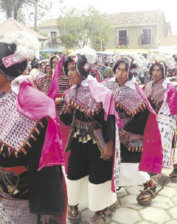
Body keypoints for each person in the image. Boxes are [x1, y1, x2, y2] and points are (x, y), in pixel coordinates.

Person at [0, 31, 66, 224]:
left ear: (6, 65)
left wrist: (46, 209)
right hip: (0, 195)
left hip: (24, 202)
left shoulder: (36, 104)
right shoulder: (5, 100)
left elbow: (46, 162)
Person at [60, 47, 120, 224]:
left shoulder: (102, 93)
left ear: (83, 69)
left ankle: (101, 209)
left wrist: (109, 144)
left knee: (98, 174)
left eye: (73, 69)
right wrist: (67, 108)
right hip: (78, 138)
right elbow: (65, 118)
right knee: (74, 172)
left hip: (98, 142)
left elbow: (109, 120)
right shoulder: (70, 93)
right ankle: (73, 203)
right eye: (68, 70)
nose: (69, 73)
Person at [102, 57, 162, 206]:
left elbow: (145, 114)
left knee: (130, 166)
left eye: (124, 70)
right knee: (112, 163)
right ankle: (116, 185)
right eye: (118, 69)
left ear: (129, 72)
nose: (120, 73)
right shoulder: (107, 84)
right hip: (112, 131)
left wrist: (127, 131)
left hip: (129, 133)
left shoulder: (133, 89)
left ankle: (149, 184)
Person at [143, 61, 177, 181]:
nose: (155, 73)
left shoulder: (168, 86)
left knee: (163, 143)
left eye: (159, 70)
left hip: (165, 119)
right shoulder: (148, 85)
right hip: (151, 119)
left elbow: (175, 106)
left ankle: (154, 168)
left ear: (163, 72)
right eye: (154, 70)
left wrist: (176, 123)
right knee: (158, 145)